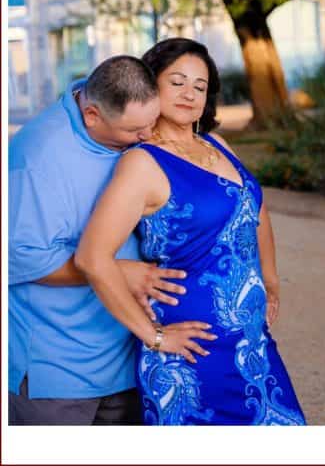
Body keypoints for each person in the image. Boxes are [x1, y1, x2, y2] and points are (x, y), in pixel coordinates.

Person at [76, 38, 306, 425]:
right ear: (152, 86)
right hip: (191, 350)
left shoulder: (217, 143)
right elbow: (91, 258)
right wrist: (157, 339)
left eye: (200, 87)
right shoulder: (141, 162)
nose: (189, 94)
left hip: (251, 340)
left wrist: (271, 280)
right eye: (178, 82)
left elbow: (254, 209)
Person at [9, 56, 192, 425]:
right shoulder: (36, 160)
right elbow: (18, 257)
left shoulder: (123, 122)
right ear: (91, 115)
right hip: (58, 372)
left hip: (126, 357)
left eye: (151, 122)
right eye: (135, 131)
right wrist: (119, 271)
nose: (146, 137)